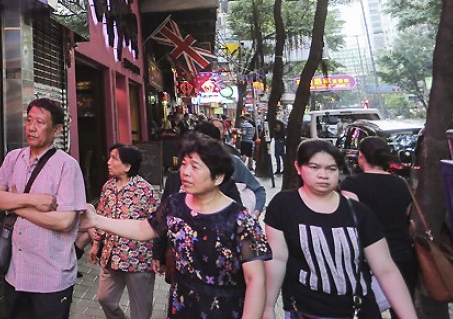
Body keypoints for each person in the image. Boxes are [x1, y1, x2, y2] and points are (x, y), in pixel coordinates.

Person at [84, 134, 270, 319]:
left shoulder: (241, 220)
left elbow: (256, 280)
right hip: (182, 305)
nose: (185, 172)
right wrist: (97, 220)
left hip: (224, 309)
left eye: (195, 166)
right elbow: (143, 229)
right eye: (184, 164)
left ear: (218, 177)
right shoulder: (175, 204)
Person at [262, 140, 415, 319]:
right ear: (298, 167)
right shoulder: (283, 206)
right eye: (314, 167)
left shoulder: (358, 212)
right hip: (307, 311)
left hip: (358, 310)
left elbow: (385, 269)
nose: (323, 175)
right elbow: (277, 259)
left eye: (331, 169)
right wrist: (267, 306)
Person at [0, 98, 87, 318]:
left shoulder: (67, 166)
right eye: (28, 120)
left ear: (57, 130)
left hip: (50, 277)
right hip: (15, 273)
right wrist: (32, 200)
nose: (31, 127)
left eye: (39, 122)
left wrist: (14, 204)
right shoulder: (13, 158)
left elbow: (64, 222)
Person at [340, 137, 418, 317]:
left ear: (361, 157)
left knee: (367, 310)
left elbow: (351, 222)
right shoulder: (401, 183)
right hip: (401, 254)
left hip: (367, 258)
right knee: (401, 309)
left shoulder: (351, 184)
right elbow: (408, 217)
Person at [90, 144, 158, 319]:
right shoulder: (108, 187)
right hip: (111, 255)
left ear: (127, 166)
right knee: (105, 299)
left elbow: (158, 225)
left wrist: (159, 255)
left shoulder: (145, 190)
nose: (108, 162)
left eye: (114, 158)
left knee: (140, 311)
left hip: (139, 259)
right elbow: (101, 215)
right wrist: (96, 243)